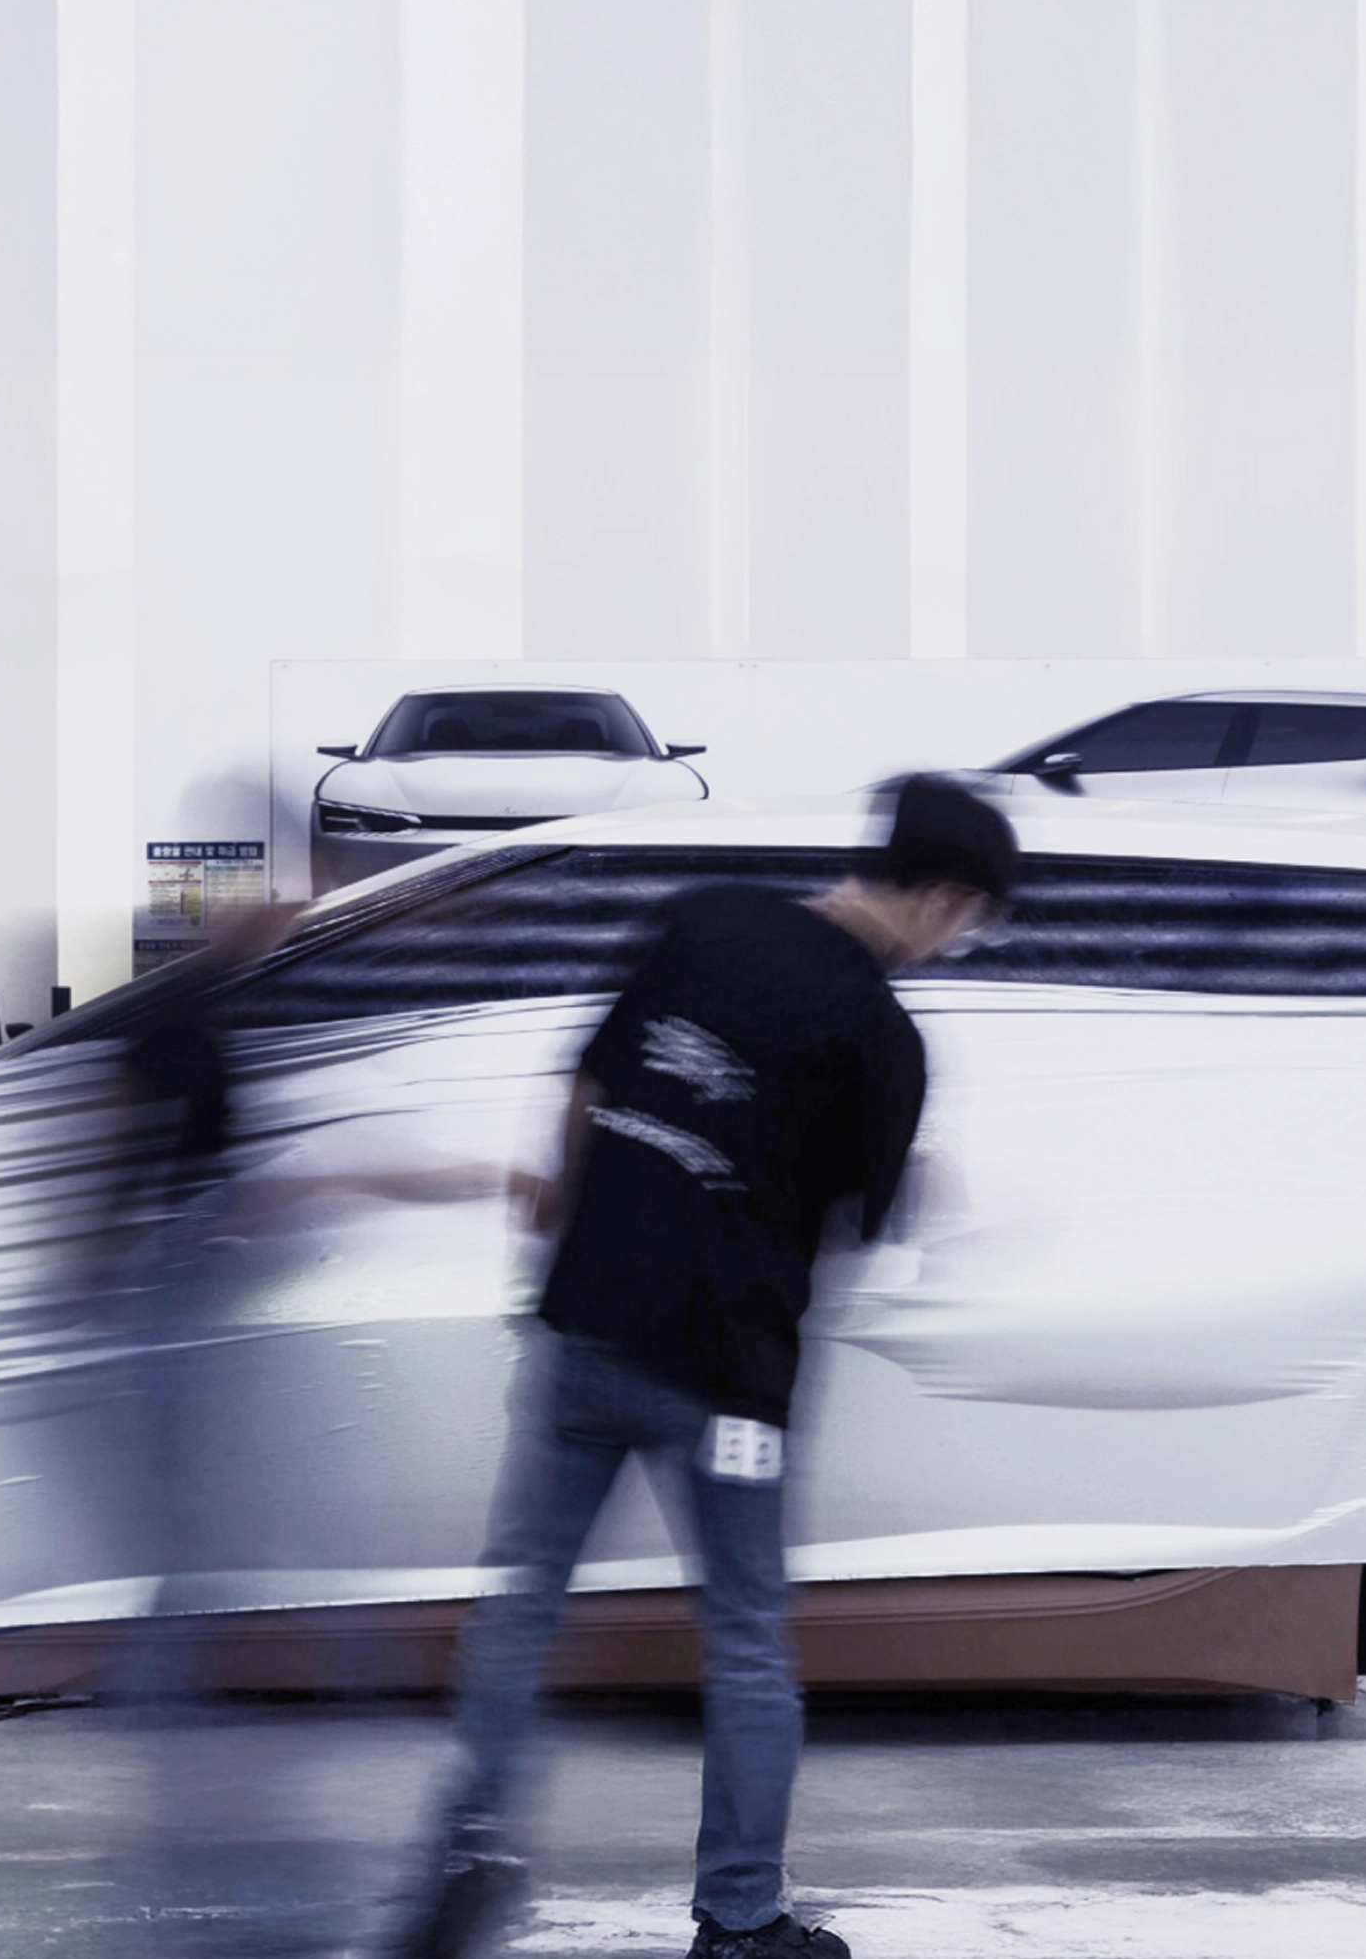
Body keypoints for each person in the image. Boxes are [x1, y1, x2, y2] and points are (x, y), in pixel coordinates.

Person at [389, 775, 1021, 1959]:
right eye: (973, 920)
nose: (961, 942)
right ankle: (739, 1922)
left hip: (584, 1324)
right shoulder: (880, 1035)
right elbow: (865, 1219)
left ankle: (473, 1845)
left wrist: (574, 1236)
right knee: (743, 1643)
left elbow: (586, 1086)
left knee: (523, 1605)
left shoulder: (706, 915)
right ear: (941, 896)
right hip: (726, 1382)